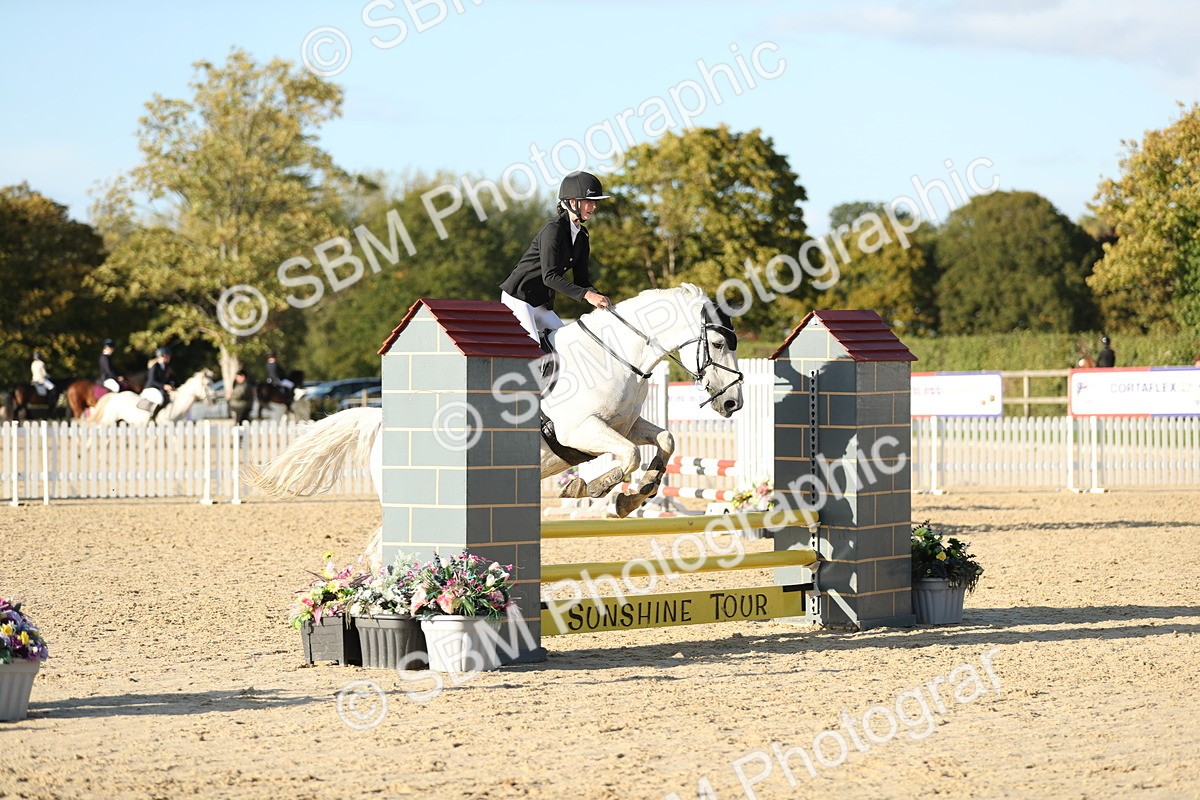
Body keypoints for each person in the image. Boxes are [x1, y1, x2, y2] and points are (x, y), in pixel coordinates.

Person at [499, 170, 612, 348]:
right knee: (533, 349)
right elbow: (549, 277)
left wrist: (600, 297)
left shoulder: (582, 236)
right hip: (519, 297)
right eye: (589, 201)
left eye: (595, 202)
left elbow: (582, 280)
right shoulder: (553, 230)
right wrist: (587, 295)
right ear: (572, 202)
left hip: (540, 303)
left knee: (570, 346)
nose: (594, 206)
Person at [141, 347, 175, 413]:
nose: (169, 358)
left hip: (159, 389)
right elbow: (152, 381)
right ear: (163, 356)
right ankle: (153, 416)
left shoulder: (166, 367)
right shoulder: (155, 366)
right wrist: (164, 386)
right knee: (160, 399)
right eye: (168, 356)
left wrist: (172, 386)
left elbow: (171, 379)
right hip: (151, 388)